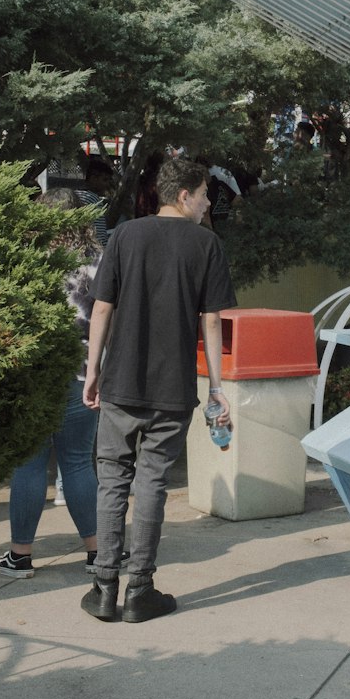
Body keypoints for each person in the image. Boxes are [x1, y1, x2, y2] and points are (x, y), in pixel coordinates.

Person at [81, 157, 237, 623]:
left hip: (121, 381)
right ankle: (140, 591)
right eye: (205, 193)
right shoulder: (206, 245)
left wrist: (93, 370)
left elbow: (102, 308)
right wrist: (216, 386)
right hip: (171, 388)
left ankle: (104, 587)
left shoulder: (126, 235)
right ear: (184, 195)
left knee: (112, 479)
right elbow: (211, 319)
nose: (209, 202)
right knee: (151, 482)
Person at [0, 190, 104, 579]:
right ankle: (97, 554)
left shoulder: (26, 260)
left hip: (34, 375)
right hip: (82, 375)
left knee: (28, 463)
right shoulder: (100, 263)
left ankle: (20, 557)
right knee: (77, 463)